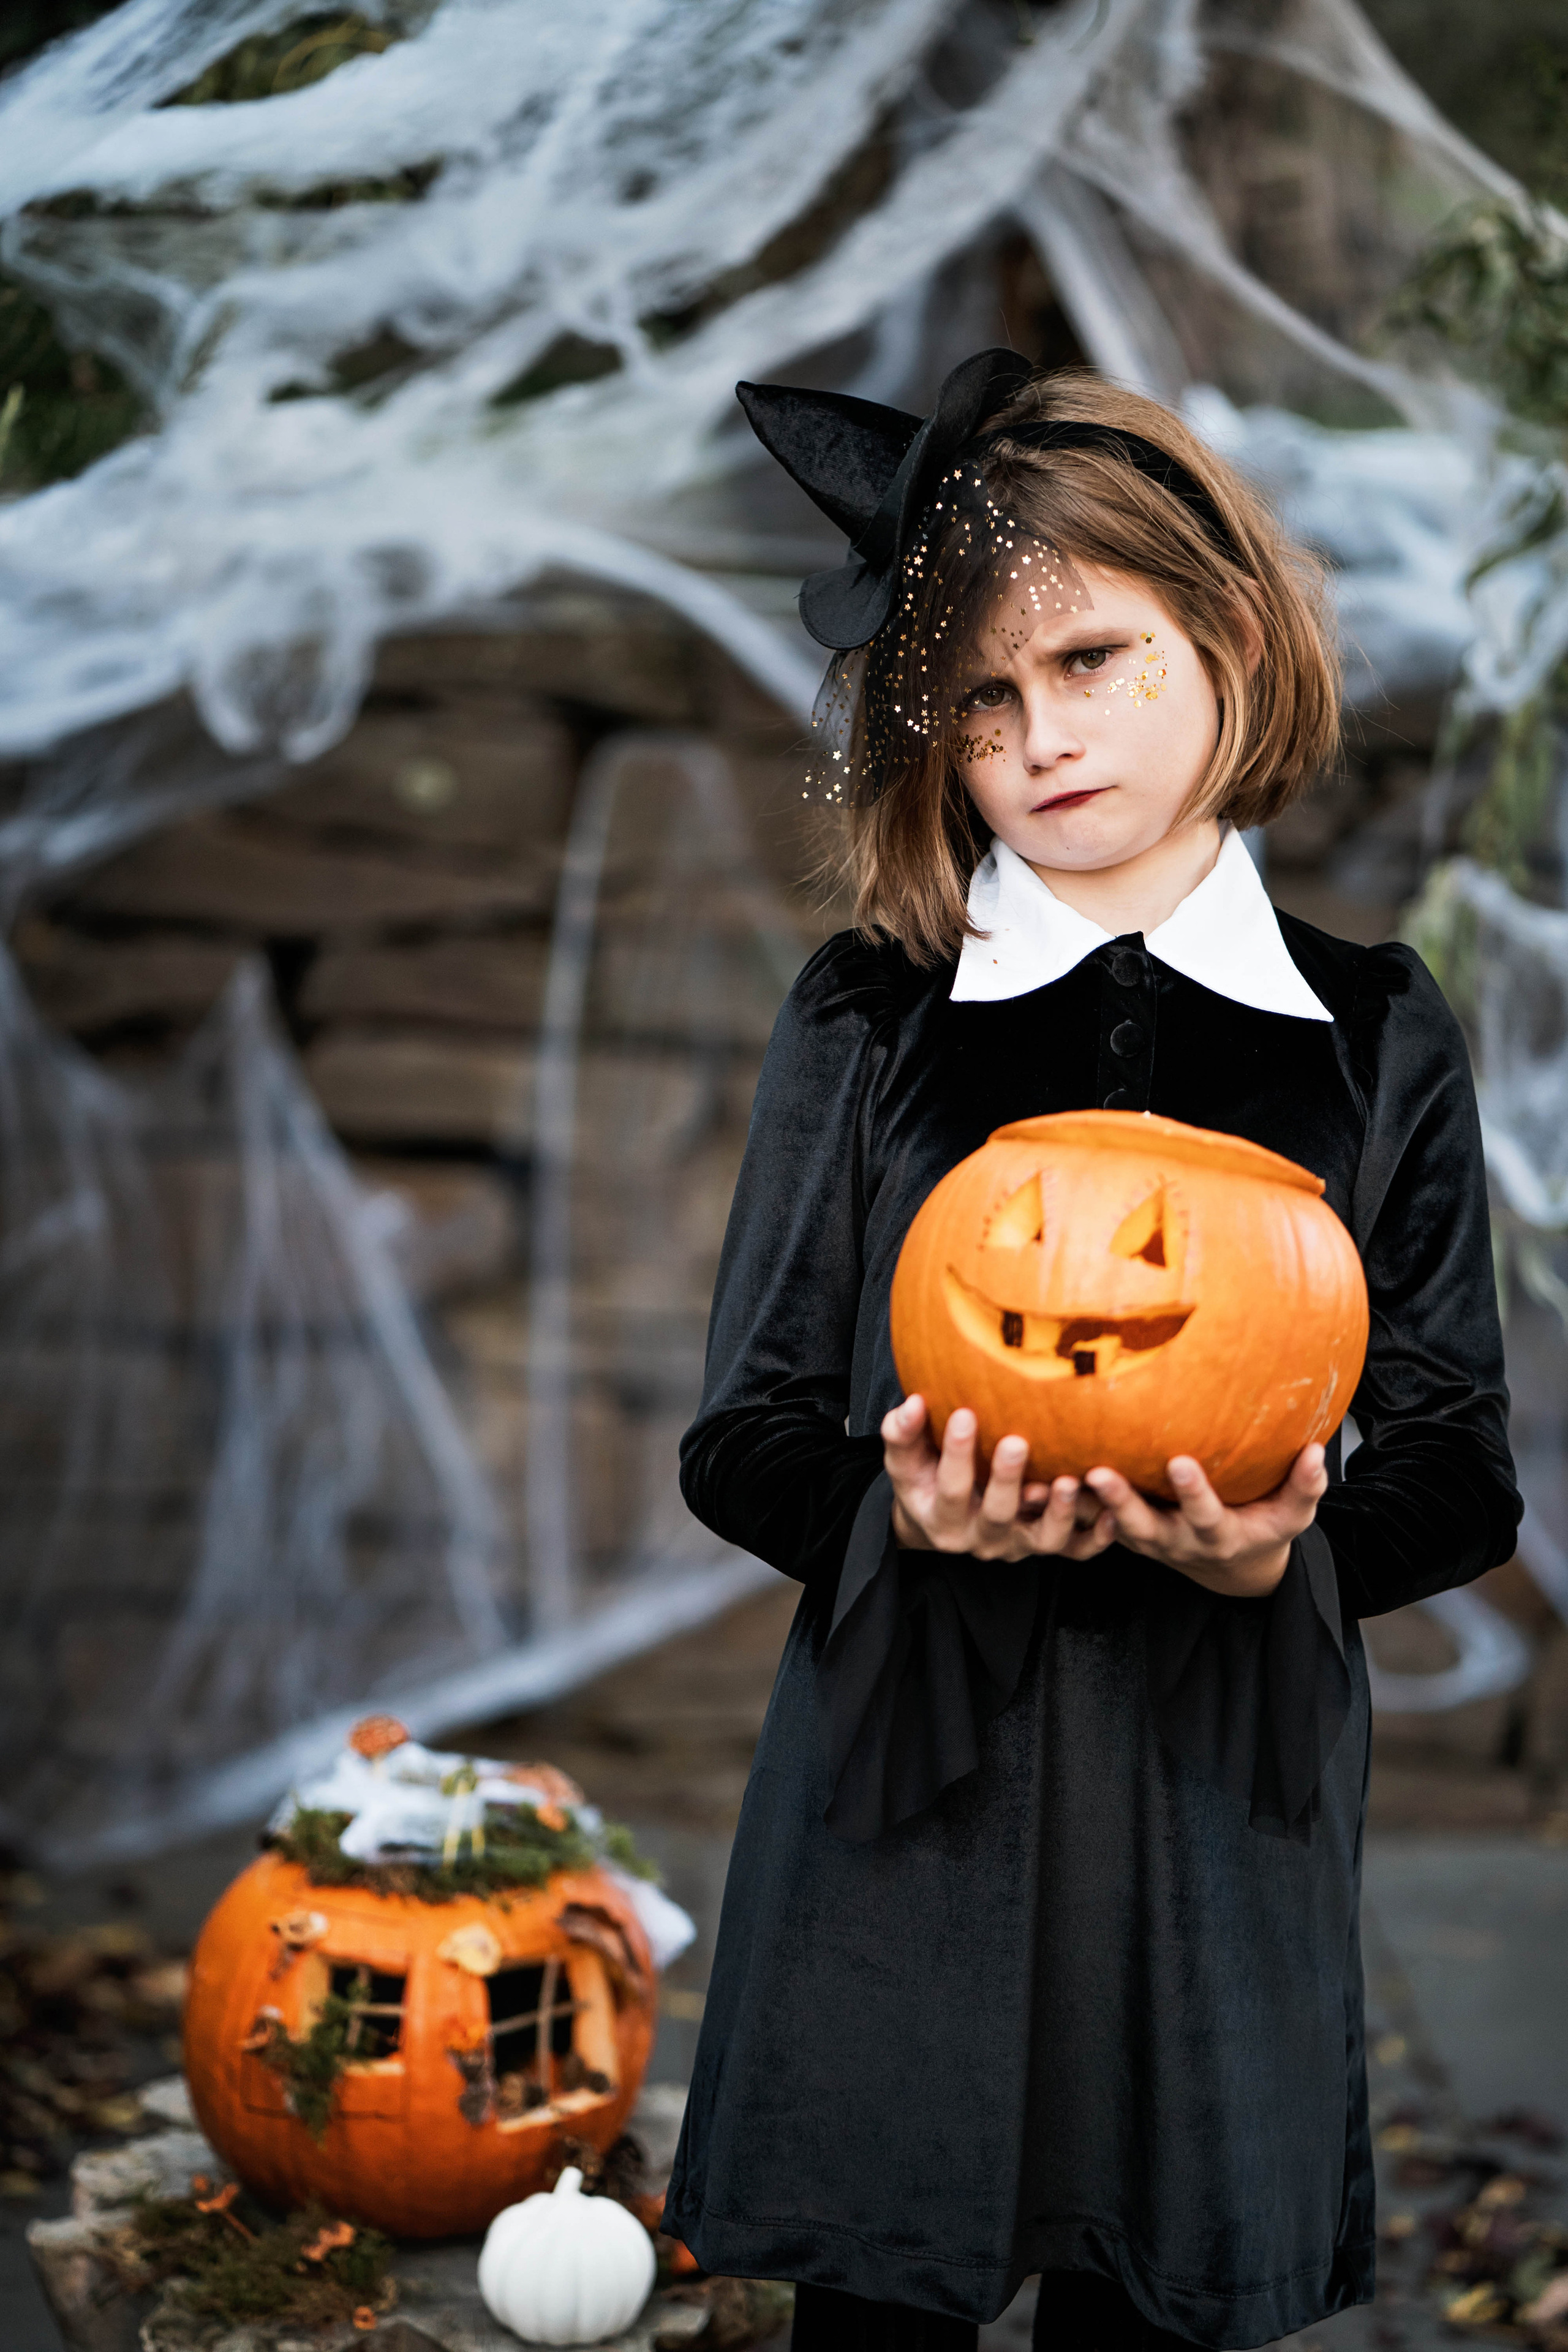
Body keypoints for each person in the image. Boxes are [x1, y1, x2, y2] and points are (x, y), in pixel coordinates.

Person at [661, 352, 1520, 2352]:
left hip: (1216, 1798)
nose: (1040, 738)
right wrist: (902, 1507)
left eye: (1094, 661)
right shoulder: (877, 1018)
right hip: (911, 1789)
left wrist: (1283, 1550)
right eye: (979, 699)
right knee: (879, 2298)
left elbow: (1458, 1457)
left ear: (1225, 628)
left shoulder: (1374, 1031)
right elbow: (748, 1429)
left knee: (1154, 2300)